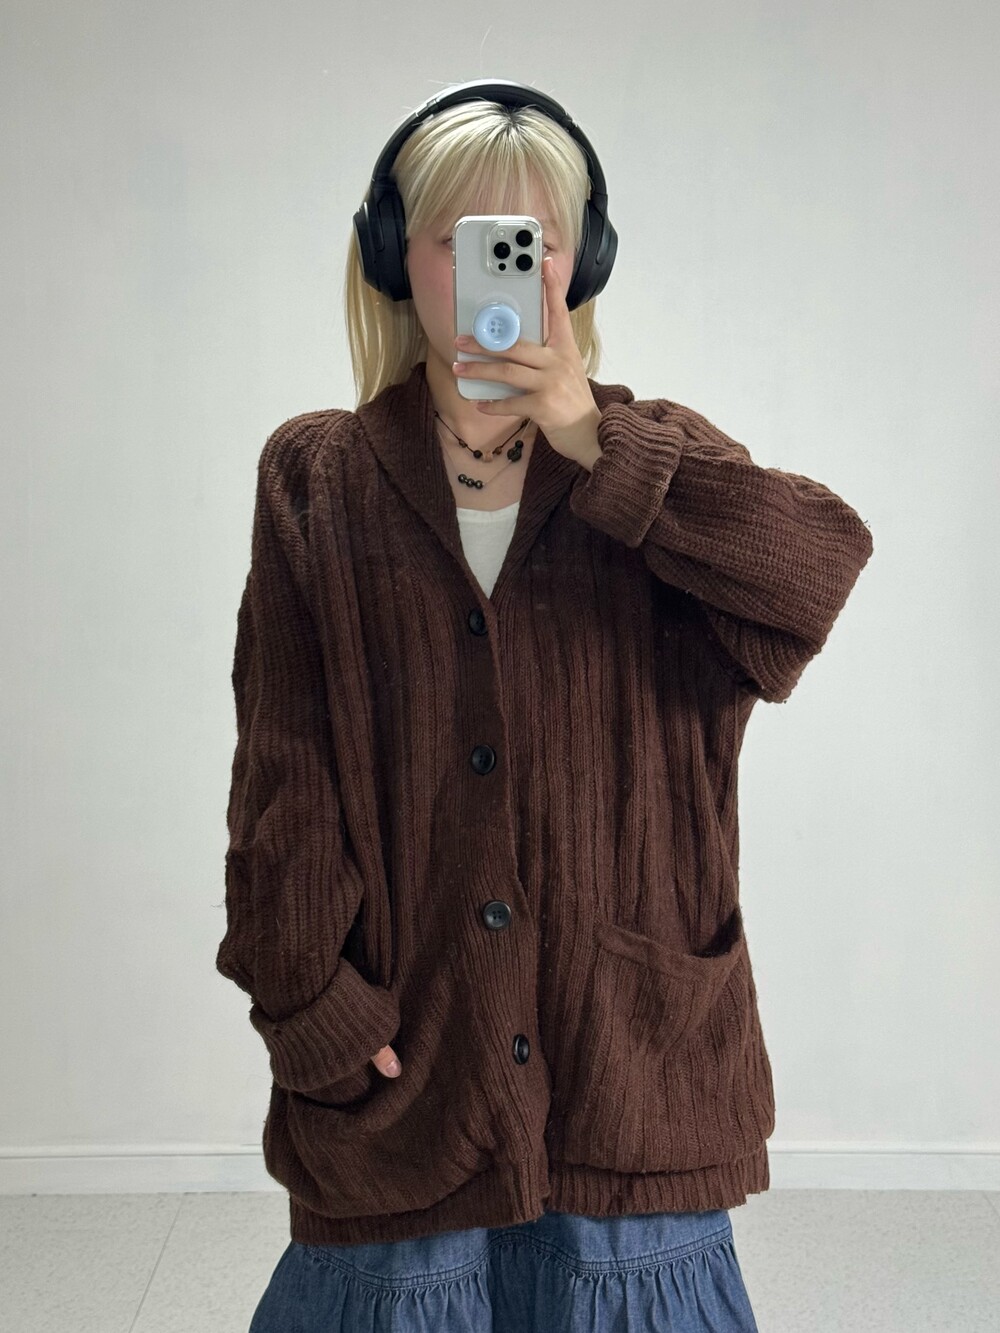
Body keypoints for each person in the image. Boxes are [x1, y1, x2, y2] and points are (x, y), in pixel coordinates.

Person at [219, 79, 873, 1332]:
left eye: (531, 241)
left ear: (580, 264)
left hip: (629, 1062)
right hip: (408, 1060)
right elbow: (282, 776)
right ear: (393, 258)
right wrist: (312, 1010)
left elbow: (816, 575)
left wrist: (596, 442)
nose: (497, 272)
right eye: (458, 238)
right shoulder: (318, 476)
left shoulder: (657, 458)